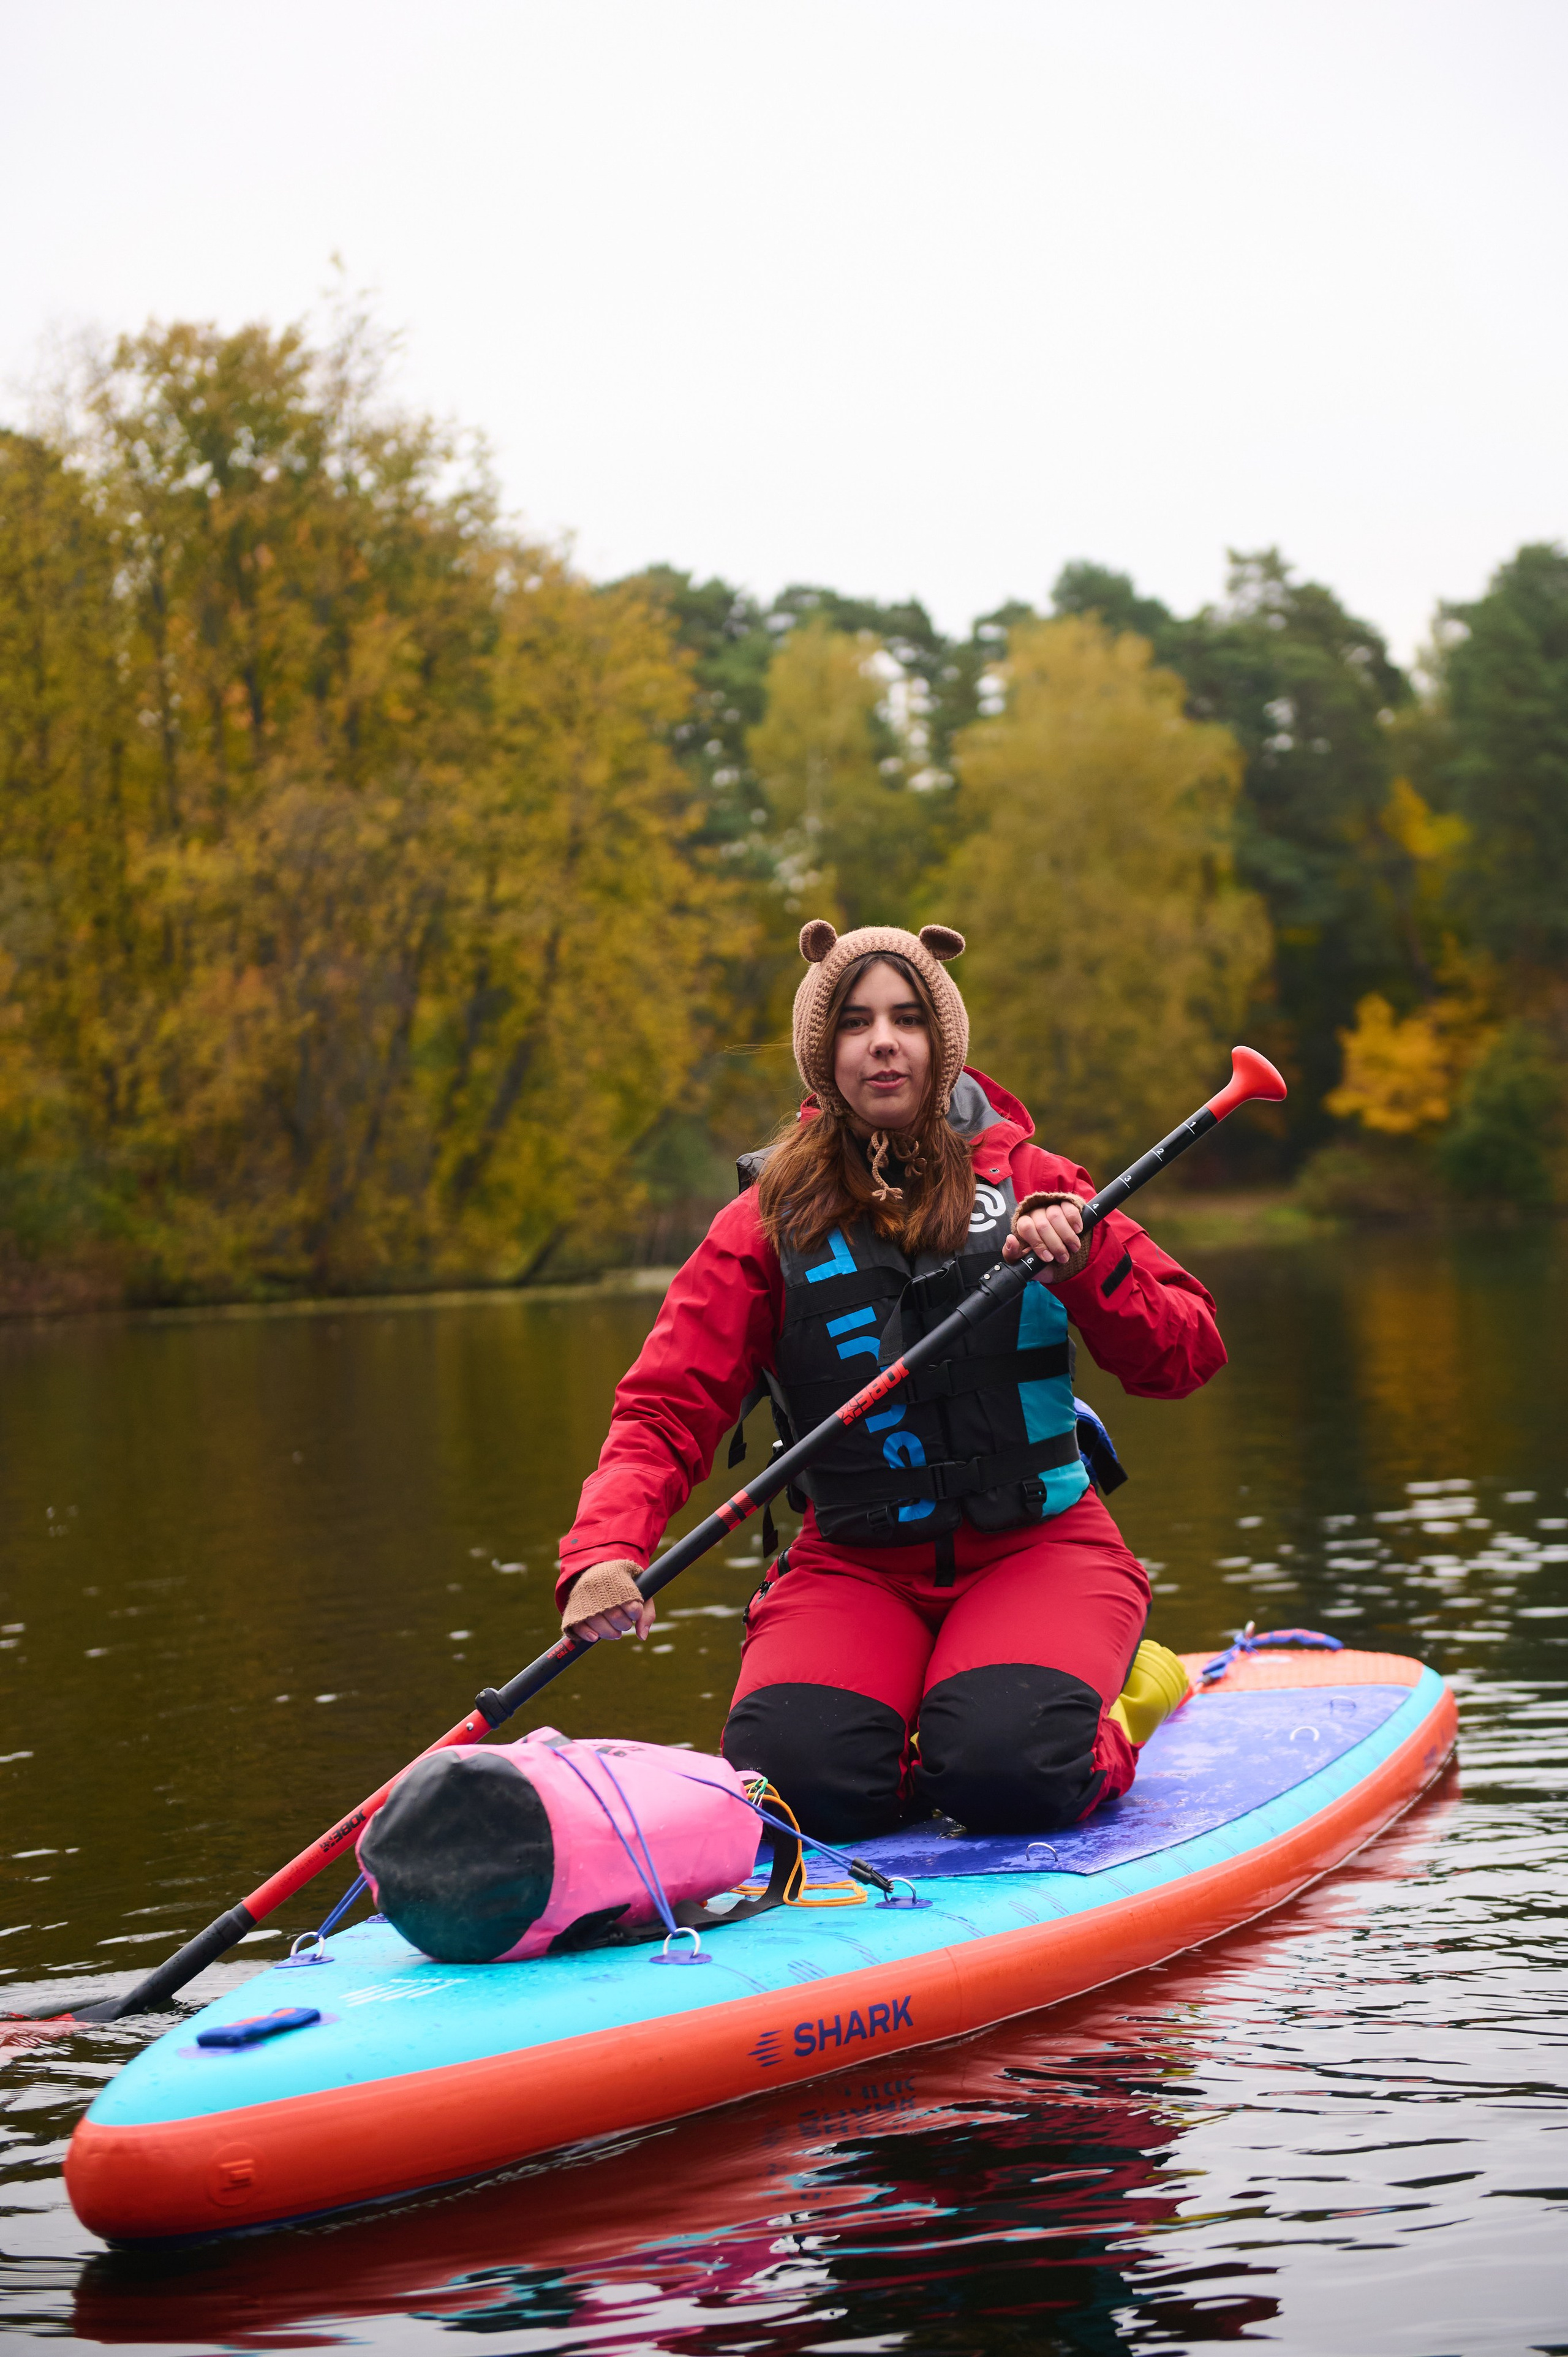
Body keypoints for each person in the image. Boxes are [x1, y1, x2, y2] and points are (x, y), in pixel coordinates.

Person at [555, 921, 1225, 1842]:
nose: (882, 1041)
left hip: (1040, 1550)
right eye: (856, 1022)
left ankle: (1129, 1697)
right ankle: (918, 1730)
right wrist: (603, 1552)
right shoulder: (760, 1225)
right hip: (854, 1566)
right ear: (820, 1053)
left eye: (907, 1020)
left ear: (939, 1044)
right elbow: (665, 1408)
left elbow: (1186, 1356)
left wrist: (1086, 1256)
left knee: (1012, 1769)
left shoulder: (1043, 1183)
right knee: (795, 1791)